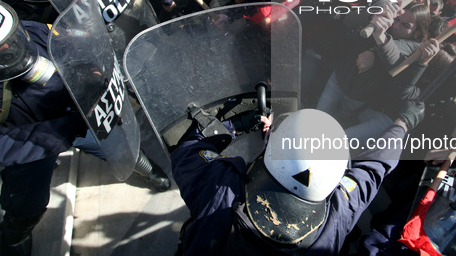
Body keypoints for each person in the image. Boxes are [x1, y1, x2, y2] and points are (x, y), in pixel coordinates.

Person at [0, 0, 169, 255]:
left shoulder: (18, 29)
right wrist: (63, 131)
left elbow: (70, 40)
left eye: (12, 40)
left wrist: (95, 67)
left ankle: (148, 170)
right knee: (26, 202)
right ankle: (15, 233)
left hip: (79, 112)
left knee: (122, 148)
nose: (13, 49)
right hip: (30, 145)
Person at [171, 102, 424, 255]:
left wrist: (236, 125)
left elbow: (187, 152)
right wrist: (402, 124)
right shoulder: (338, 213)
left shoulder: (221, 184)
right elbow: (374, 169)